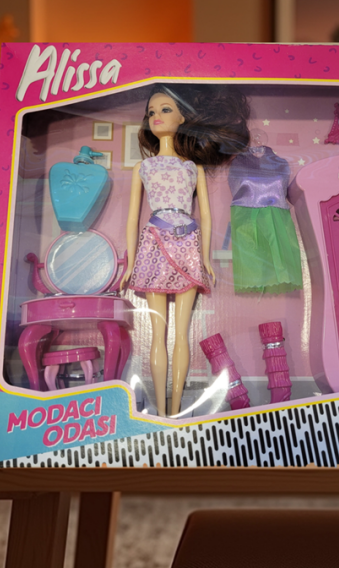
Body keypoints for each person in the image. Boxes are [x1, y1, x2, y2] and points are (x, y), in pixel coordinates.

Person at [120, 84, 250, 416]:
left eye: (165, 109)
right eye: (151, 112)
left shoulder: (193, 168)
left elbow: (205, 215)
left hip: (188, 245)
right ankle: (163, 412)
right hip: (154, 243)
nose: (156, 116)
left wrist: (205, 258)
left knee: (182, 333)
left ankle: (175, 408)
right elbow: (132, 218)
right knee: (158, 332)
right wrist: (130, 263)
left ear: (183, 118)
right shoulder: (143, 168)